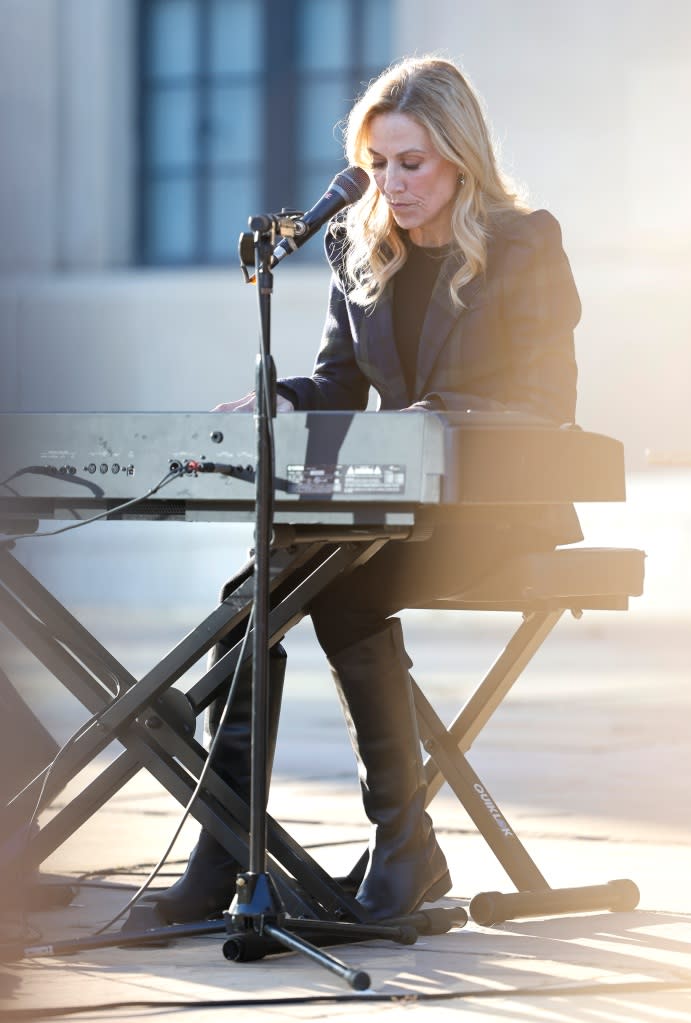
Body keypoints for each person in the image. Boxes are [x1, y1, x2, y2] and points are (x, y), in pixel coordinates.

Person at [149, 54, 582, 924]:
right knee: (270, 590)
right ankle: (249, 846)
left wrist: (423, 421)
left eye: (410, 163)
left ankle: (374, 848)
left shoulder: (525, 241)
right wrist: (279, 397)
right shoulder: (360, 249)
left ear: (459, 157)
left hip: (494, 512)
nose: (391, 182)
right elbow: (337, 388)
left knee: (313, 585)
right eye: (377, 164)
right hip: (392, 514)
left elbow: (543, 405)